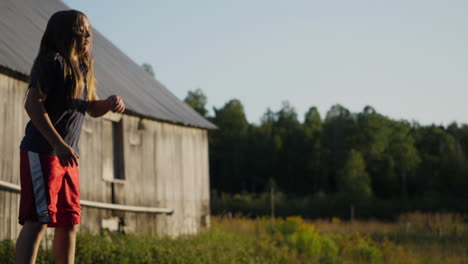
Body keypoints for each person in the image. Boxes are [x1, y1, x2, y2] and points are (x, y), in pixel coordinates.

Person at [15, 10, 125, 264]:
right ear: (64, 33)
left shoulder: (83, 68)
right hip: (43, 151)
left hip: (67, 156)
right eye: (80, 29)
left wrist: (108, 104)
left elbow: (88, 108)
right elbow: (32, 104)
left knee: (69, 222)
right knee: (38, 220)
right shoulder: (52, 62)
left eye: (89, 30)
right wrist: (57, 143)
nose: (87, 35)